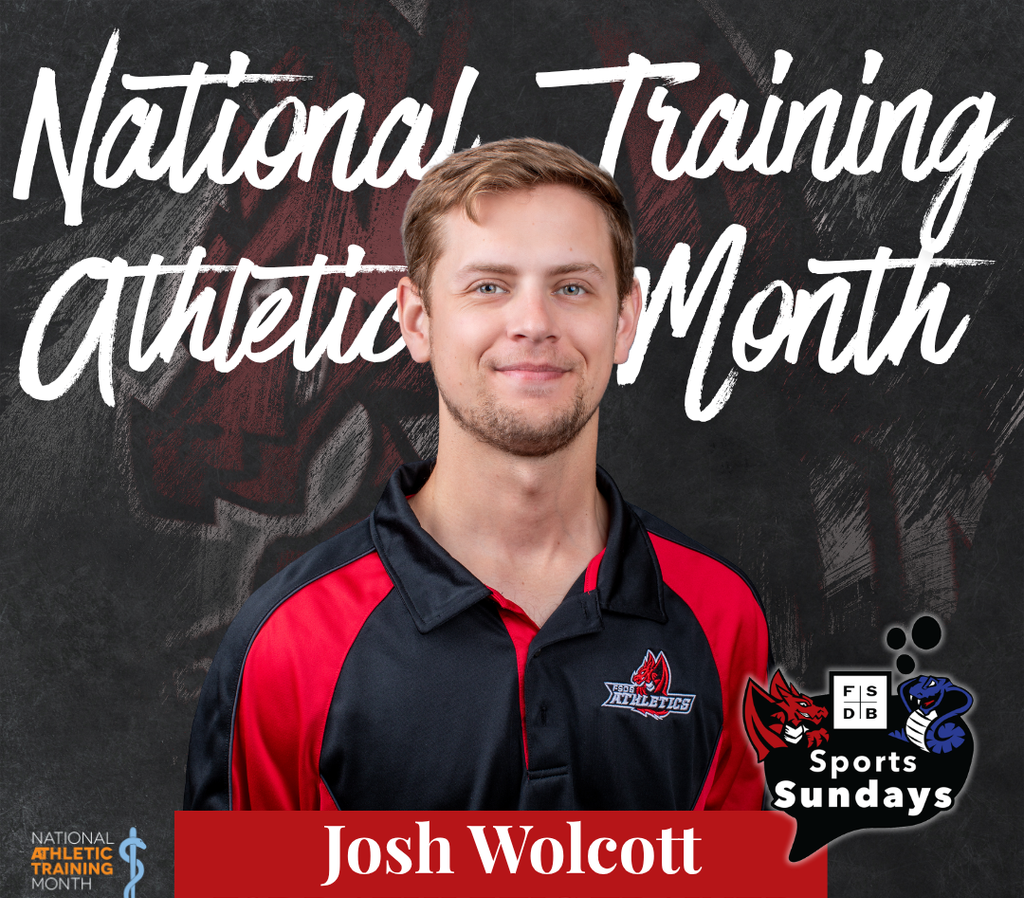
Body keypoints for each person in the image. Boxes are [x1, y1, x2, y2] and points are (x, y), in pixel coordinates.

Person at [184, 138, 770, 811]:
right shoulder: (288, 639)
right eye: (489, 287)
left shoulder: (722, 616)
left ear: (625, 320)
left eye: (572, 287)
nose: (532, 323)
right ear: (418, 320)